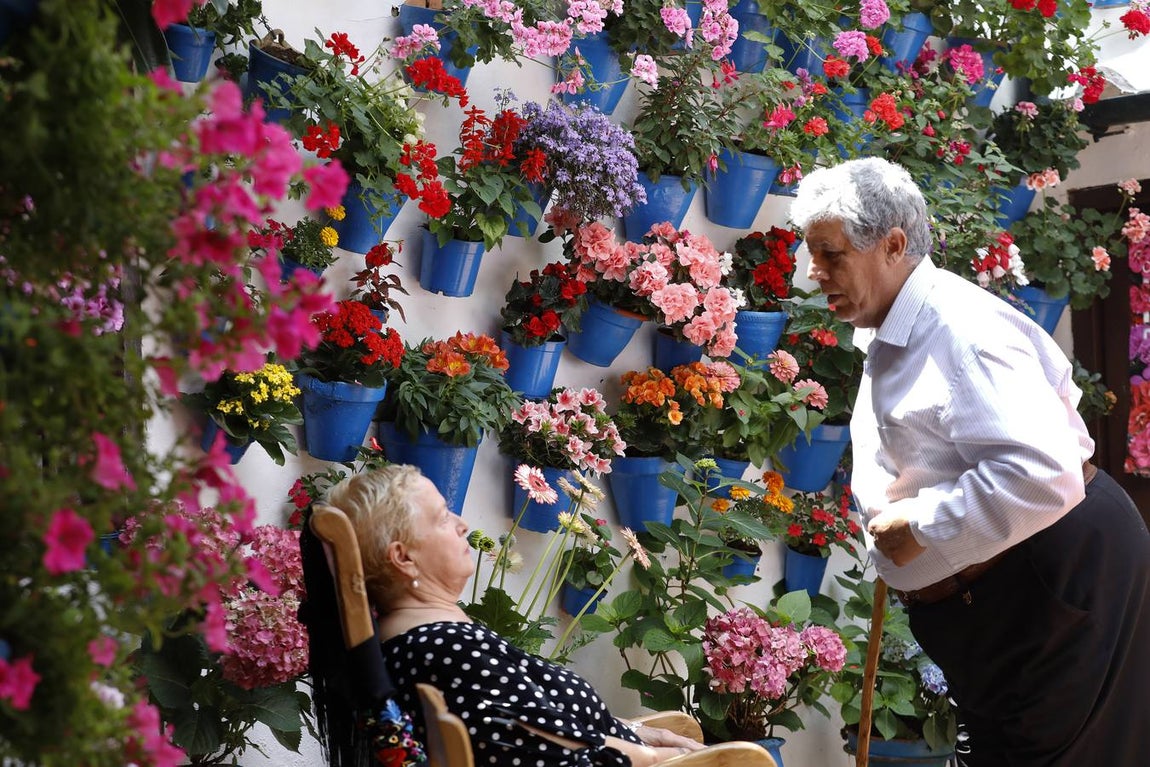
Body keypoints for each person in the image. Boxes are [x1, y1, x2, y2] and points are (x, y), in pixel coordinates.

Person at [791, 157, 1150, 766]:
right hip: (1009, 591)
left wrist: (921, 524)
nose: (812, 271)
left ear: (892, 245)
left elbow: (1042, 471)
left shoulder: (962, 330)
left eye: (830, 254)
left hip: (1048, 578)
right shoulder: (896, 326)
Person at [319, 464, 708, 767]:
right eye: (441, 518)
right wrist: (664, 759)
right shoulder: (447, 650)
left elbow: (535, 732)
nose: (462, 524)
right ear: (403, 558)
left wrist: (631, 731)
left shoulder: (424, 641)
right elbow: (545, 751)